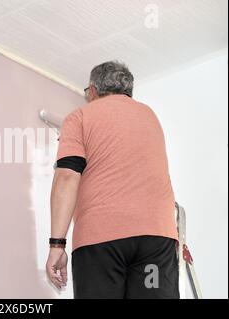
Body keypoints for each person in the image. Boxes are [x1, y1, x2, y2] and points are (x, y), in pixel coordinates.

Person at [45, 61, 179, 299]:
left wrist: (57, 245)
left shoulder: (80, 117)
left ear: (93, 90)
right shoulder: (150, 116)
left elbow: (66, 177)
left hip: (102, 239)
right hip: (156, 240)